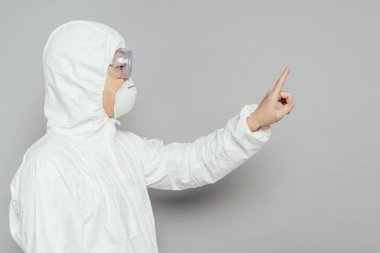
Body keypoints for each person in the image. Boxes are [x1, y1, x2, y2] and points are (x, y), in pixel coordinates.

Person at [8, 20, 294, 253]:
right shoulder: (48, 165)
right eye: (119, 68)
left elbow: (190, 164)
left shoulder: (122, 148)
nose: (128, 79)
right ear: (82, 77)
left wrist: (254, 121)